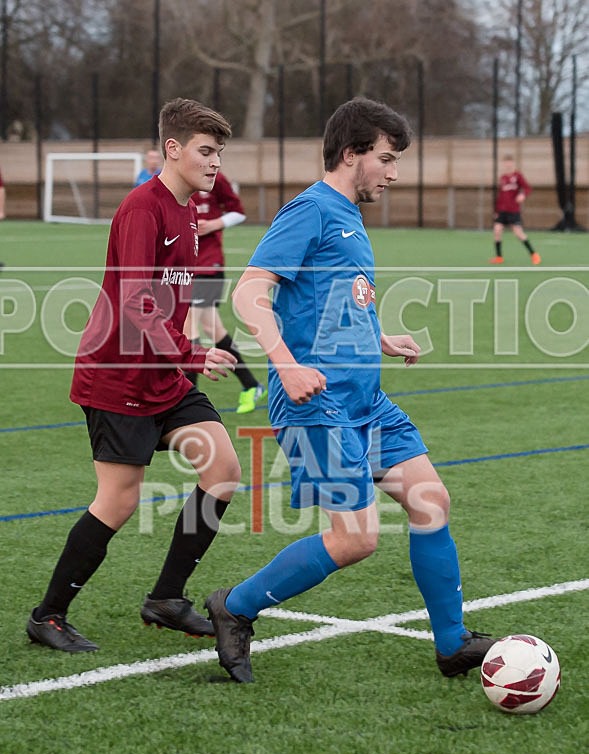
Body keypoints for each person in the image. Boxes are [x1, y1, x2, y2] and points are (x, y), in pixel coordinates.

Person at [204, 97, 496, 683]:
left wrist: (377, 336)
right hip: (315, 403)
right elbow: (247, 293)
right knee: (355, 539)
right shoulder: (309, 211)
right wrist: (284, 364)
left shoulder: (349, 217)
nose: (393, 173)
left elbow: (332, 302)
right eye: (385, 159)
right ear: (350, 154)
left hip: (366, 400)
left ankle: (451, 644)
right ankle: (233, 607)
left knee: (430, 501)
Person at [27, 98, 241, 653]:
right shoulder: (142, 208)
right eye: (206, 151)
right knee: (119, 500)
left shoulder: (190, 210)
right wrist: (192, 356)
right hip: (118, 377)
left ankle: (167, 598)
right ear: (173, 149)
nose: (215, 162)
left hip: (163, 375)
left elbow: (170, 300)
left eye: (219, 153)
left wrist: (190, 349)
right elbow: (135, 301)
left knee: (222, 469)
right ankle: (48, 615)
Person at [184, 172, 267, 414]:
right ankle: (251, 385)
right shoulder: (175, 182)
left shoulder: (216, 179)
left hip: (209, 265)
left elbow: (238, 211)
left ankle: (187, 400)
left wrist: (214, 224)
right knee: (212, 328)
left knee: (189, 325)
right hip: (186, 266)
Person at [489, 154, 541, 265]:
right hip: (502, 211)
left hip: (513, 210)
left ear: (513, 163)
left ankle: (534, 254)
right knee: (497, 231)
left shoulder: (518, 176)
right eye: (505, 162)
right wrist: (496, 211)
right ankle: (499, 257)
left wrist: (522, 195)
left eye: (509, 162)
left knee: (518, 233)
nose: (507, 164)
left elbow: (527, 188)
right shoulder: (503, 178)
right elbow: (500, 196)